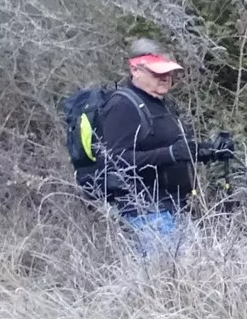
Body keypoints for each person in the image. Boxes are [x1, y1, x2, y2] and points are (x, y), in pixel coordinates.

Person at [94, 38, 234, 256]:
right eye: (157, 74)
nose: (165, 80)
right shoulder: (122, 105)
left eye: (168, 74)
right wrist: (168, 154)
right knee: (165, 277)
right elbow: (115, 160)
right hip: (145, 210)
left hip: (175, 206)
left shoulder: (162, 104)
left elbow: (178, 149)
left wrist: (212, 150)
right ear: (135, 70)